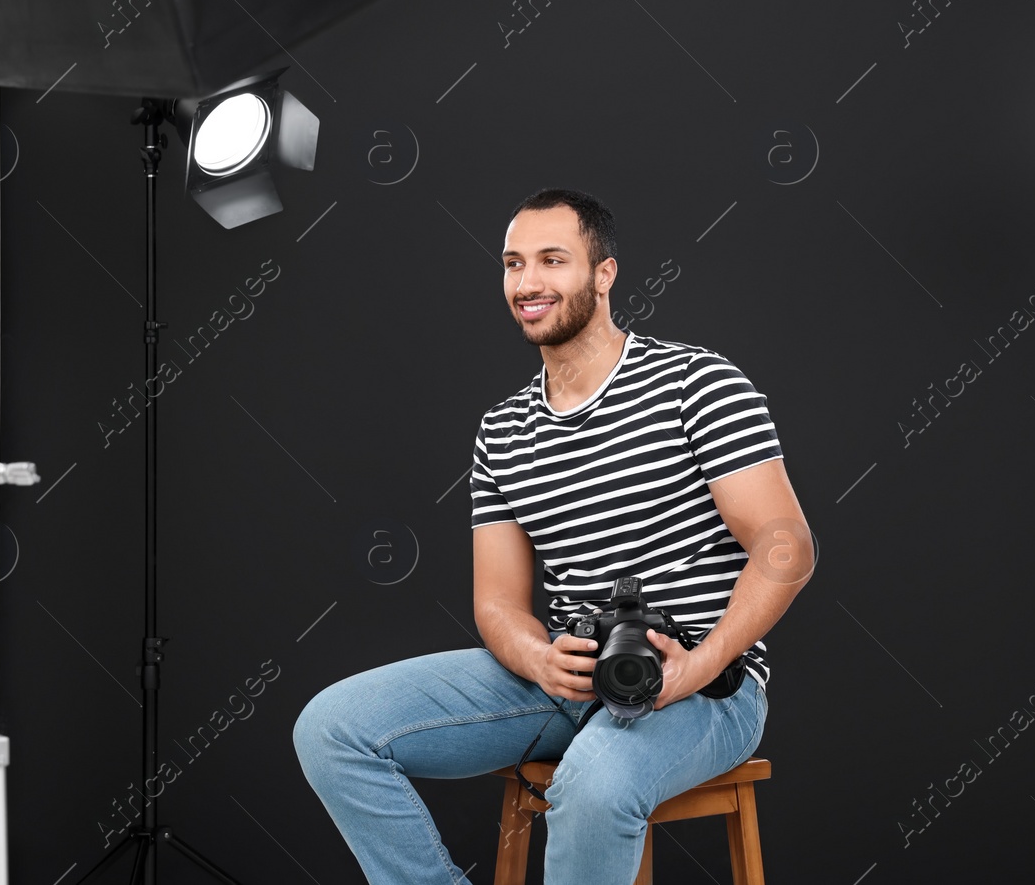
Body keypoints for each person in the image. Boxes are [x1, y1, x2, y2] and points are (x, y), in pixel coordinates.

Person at [293, 188, 814, 884]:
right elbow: (499, 604)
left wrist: (698, 663)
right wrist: (540, 659)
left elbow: (787, 548)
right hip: (565, 679)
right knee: (332, 728)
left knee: (595, 785)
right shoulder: (503, 430)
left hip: (704, 687)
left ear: (604, 274)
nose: (528, 282)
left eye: (551, 260)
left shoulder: (698, 382)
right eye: (513, 263)